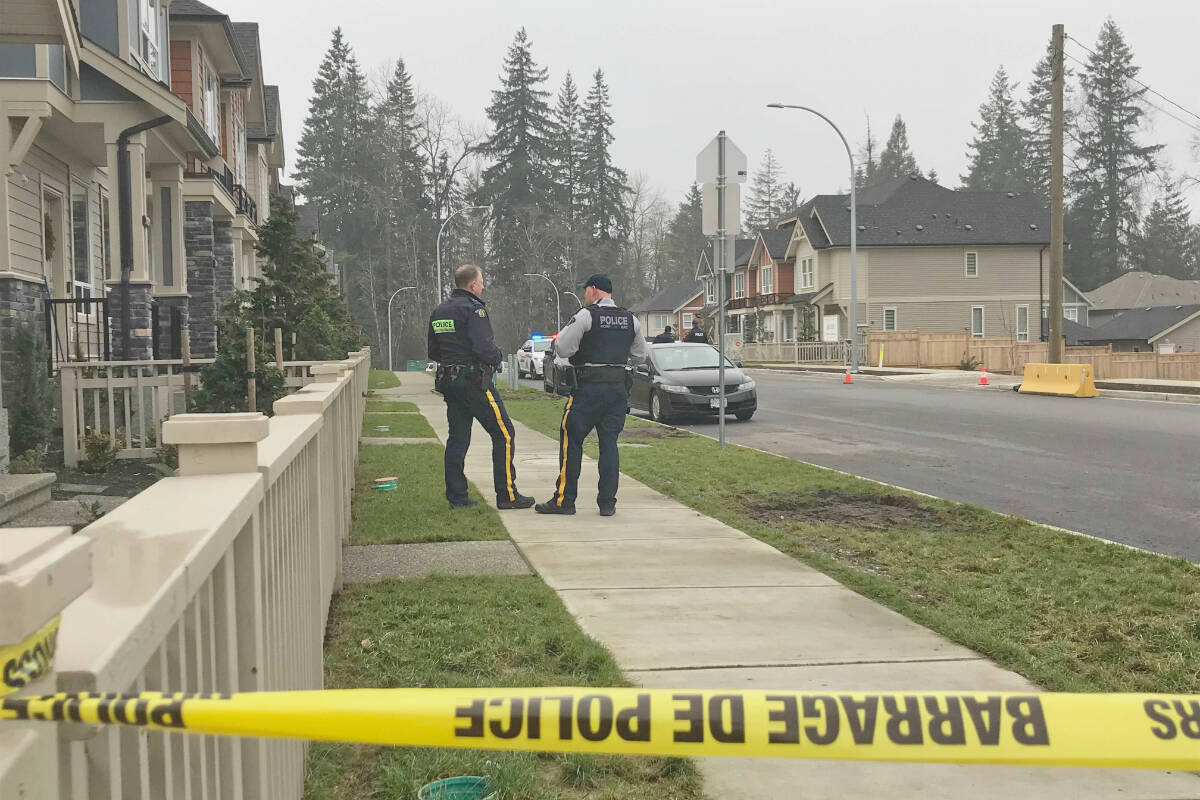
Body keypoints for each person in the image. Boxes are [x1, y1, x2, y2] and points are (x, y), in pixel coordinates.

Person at [536, 274, 650, 517]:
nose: (585, 294)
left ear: (594, 290)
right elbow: (640, 355)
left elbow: (563, 348)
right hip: (618, 390)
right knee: (609, 445)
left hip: (588, 389)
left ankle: (565, 500)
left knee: (571, 440)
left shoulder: (586, 315)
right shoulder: (630, 319)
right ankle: (607, 503)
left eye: (586, 290)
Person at [427, 264, 534, 510]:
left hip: (450, 384)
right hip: (475, 383)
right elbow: (484, 348)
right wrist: (498, 357)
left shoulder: (439, 311)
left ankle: (457, 496)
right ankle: (507, 494)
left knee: (457, 438)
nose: (483, 286)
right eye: (481, 281)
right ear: (473, 285)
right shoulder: (475, 310)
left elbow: (433, 351)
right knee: (505, 434)